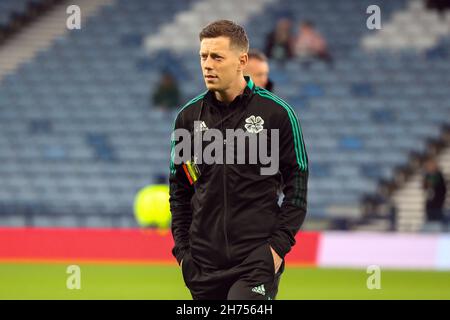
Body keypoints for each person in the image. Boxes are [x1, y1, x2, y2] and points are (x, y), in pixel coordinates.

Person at [169, 20, 308, 300]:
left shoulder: (277, 114)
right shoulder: (187, 118)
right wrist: (183, 254)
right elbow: (180, 191)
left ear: (241, 61)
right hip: (203, 266)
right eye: (203, 56)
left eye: (217, 57)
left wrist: (276, 250)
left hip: (255, 261)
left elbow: (298, 187)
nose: (207, 64)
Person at [422, 158, 447, 232]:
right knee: (429, 217)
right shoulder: (427, 176)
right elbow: (425, 186)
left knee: (437, 218)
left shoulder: (439, 175)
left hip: (438, 203)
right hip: (430, 203)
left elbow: (438, 187)